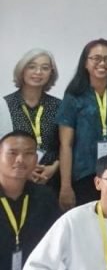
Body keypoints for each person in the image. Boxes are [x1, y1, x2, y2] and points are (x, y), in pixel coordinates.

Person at [57, 39, 107, 209]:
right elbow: (66, 144)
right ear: (85, 63)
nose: (102, 63)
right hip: (84, 173)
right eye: (96, 58)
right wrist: (65, 185)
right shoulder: (73, 96)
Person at [0, 131, 59, 270]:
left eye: (28, 153)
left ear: (36, 159)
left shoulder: (45, 197)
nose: (20, 159)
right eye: (12, 153)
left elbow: (58, 244)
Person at [4, 49, 61, 188]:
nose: (38, 72)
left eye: (45, 68)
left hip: (50, 179)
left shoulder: (59, 105)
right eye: (32, 67)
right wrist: (26, 170)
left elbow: (67, 144)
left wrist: (54, 167)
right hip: (15, 178)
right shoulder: (6, 105)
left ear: (51, 73)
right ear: (22, 70)